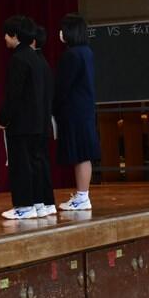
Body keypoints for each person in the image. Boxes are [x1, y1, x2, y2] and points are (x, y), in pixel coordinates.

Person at [0, 15, 45, 220]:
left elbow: (13, 94)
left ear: (15, 35)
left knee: (21, 165)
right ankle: (38, 203)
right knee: (35, 164)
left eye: (7, 35)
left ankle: (24, 206)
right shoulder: (35, 57)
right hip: (37, 121)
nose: (4, 38)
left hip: (21, 123)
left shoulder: (18, 59)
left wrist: (3, 118)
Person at [53, 14, 100, 211]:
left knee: (80, 154)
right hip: (85, 110)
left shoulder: (71, 54)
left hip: (74, 111)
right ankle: (82, 195)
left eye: (63, 29)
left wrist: (53, 107)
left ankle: (82, 197)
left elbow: (62, 86)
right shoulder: (86, 51)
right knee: (84, 153)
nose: (60, 32)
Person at [32, 26, 56, 217]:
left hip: (36, 120)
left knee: (37, 162)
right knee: (42, 161)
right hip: (44, 119)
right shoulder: (43, 61)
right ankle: (47, 202)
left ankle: (40, 202)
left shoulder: (33, 61)